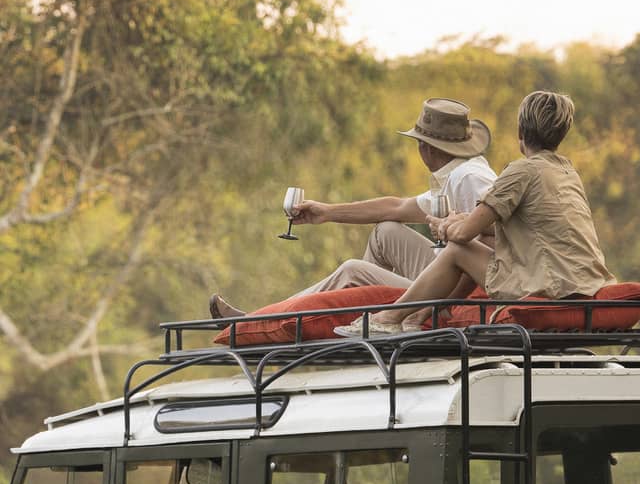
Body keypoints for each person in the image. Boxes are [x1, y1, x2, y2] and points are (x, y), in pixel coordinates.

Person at [336, 90, 614, 335]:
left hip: (548, 284)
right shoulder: (567, 172)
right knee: (453, 243)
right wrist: (462, 221)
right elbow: (525, 226)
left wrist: (445, 226)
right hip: (582, 280)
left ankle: (389, 317)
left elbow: (464, 233)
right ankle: (416, 315)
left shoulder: (521, 170)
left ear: (520, 133)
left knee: (457, 249)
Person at [209, 98, 495, 318]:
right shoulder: (457, 173)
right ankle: (361, 313)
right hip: (449, 275)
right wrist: (328, 212)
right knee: (386, 231)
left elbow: (494, 239)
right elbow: (395, 207)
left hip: (458, 293)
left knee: (352, 271)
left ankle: (259, 320)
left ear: (426, 148)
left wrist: (441, 303)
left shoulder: (469, 178)